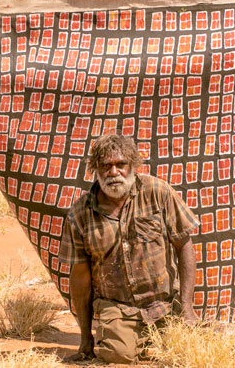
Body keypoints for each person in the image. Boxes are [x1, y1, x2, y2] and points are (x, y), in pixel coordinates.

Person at [60, 134, 200, 364]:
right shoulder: (80, 214)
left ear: (133, 165)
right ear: (95, 169)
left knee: (189, 351)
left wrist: (186, 307)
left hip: (164, 304)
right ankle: (132, 339)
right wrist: (85, 338)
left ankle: (148, 339)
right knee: (117, 356)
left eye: (120, 164)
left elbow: (184, 246)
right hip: (118, 309)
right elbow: (80, 278)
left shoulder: (158, 192)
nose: (113, 173)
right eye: (106, 166)